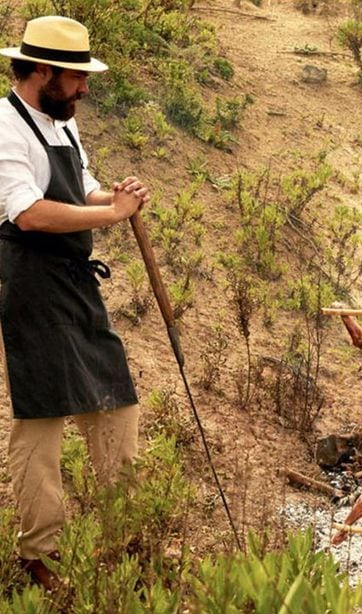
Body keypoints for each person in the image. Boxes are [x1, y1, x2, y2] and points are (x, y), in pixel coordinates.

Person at [0, 16, 150, 589]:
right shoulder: (6, 126)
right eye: (76, 76)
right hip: (30, 286)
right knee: (40, 423)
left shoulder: (62, 123)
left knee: (117, 403)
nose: (85, 87)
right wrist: (109, 215)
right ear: (43, 72)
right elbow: (29, 212)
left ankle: (130, 531)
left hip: (75, 284)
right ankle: (42, 556)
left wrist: (114, 197)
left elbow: (80, 186)